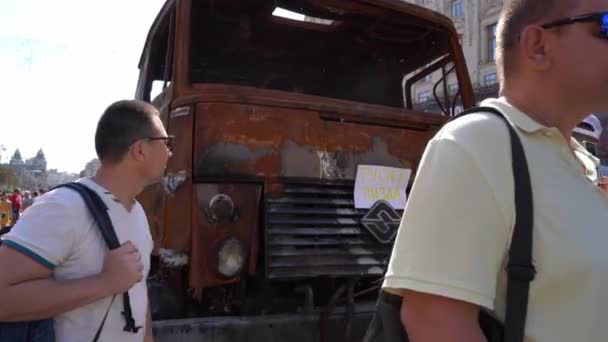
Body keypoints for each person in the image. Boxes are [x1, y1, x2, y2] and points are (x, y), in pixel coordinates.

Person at [382, 1, 608, 341]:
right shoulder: (475, 143)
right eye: (606, 25)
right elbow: (434, 321)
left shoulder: (582, 162)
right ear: (539, 46)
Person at [0, 99, 173, 341]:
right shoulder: (63, 207)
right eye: (166, 142)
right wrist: (104, 283)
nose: (170, 151)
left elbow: (136, 295)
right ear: (140, 150)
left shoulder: (137, 212)